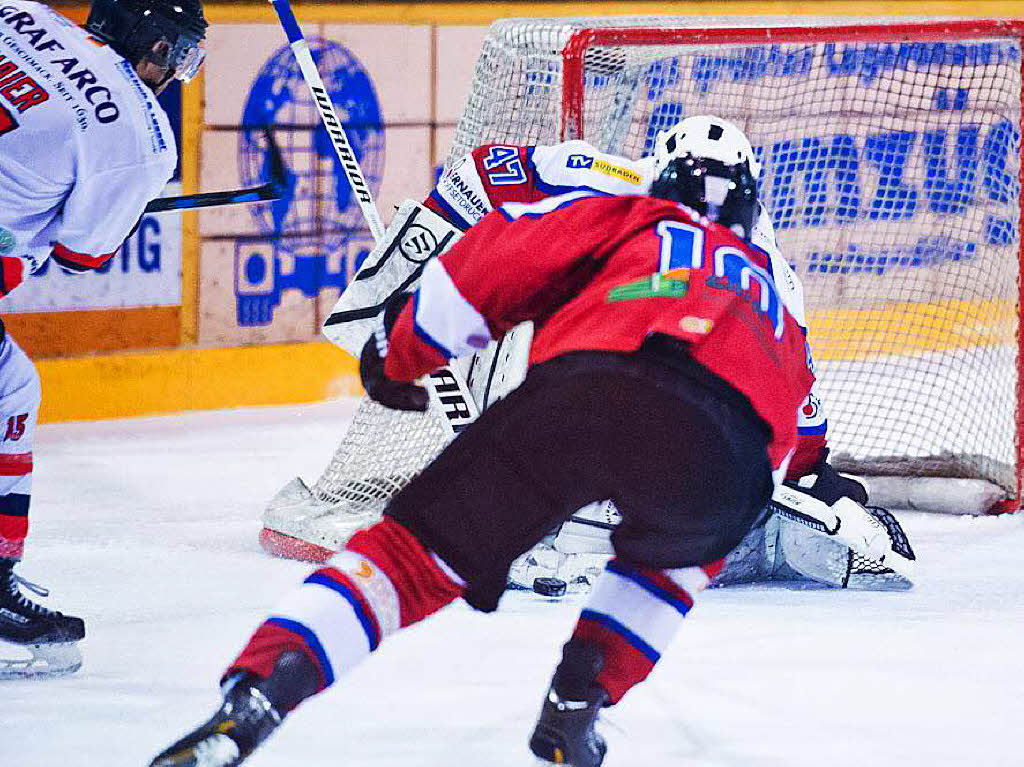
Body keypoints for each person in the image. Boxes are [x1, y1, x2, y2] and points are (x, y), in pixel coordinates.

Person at [152, 126, 816, 766]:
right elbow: (791, 432)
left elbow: (501, 257)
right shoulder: (781, 293)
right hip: (724, 450)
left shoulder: (630, 216)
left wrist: (402, 347)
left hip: (588, 392)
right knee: (670, 566)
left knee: (411, 560)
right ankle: (576, 703)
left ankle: (262, 692)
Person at [291, 115, 912, 593]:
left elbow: (795, 390)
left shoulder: (764, 266)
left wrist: (812, 472)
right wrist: (419, 251)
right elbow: (484, 178)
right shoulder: (622, 186)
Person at [0, 0, 206, 678]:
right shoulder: (140, 131)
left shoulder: (20, 12)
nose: (174, 73)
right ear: (145, 39)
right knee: (11, 390)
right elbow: (81, 255)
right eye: (174, 53)